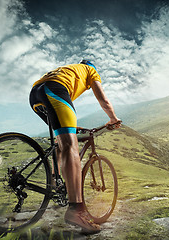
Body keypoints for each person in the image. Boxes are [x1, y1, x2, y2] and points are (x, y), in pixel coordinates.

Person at [29, 60, 121, 233]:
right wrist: (113, 118)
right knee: (71, 145)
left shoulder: (68, 70)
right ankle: (76, 210)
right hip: (54, 89)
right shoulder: (89, 70)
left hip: (35, 94)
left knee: (61, 142)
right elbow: (103, 100)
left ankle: (56, 183)